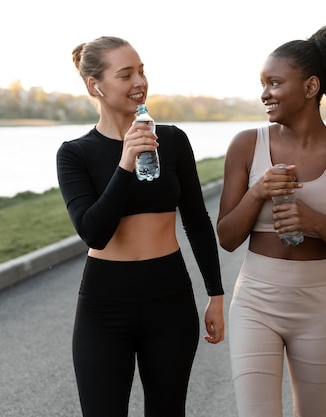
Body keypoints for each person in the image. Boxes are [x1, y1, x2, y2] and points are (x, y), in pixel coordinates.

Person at [56, 36, 225, 417]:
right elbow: (93, 231)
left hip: (170, 301)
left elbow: (196, 220)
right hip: (105, 306)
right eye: (126, 74)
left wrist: (215, 294)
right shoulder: (75, 153)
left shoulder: (173, 139)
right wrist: (125, 162)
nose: (140, 81)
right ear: (94, 85)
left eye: (142, 70)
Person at [217, 24, 326, 417]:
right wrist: (259, 191)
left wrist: (314, 222)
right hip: (255, 303)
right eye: (262, 84)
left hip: (319, 309)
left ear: (310, 87)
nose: (264, 94)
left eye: (274, 83)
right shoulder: (246, 145)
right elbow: (226, 236)